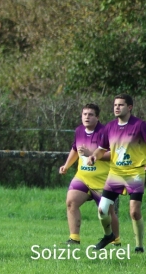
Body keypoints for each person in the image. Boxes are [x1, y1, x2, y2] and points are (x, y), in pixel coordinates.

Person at [88, 94, 146, 252]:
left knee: (134, 211)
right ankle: (109, 236)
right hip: (115, 174)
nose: (116, 107)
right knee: (102, 209)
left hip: (135, 173)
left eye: (120, 105)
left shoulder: (140, 125)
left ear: (130, 107)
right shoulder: (109, 127)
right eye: (115, 105)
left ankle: (139, 246)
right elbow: (101, 149)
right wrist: (94, 156)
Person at [59, 103, 120, 246]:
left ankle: (116, 240)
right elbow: (75, 149)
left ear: (97, 117)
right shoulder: (79, 130)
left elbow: (114, 155)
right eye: (84, 114)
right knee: (71, 202)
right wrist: (66, 166)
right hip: (82, 177)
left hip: (102, 180)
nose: (87, 117)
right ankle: (74, 238)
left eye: (91, 114)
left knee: (107, 213)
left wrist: (91, 154)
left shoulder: (106, 132)